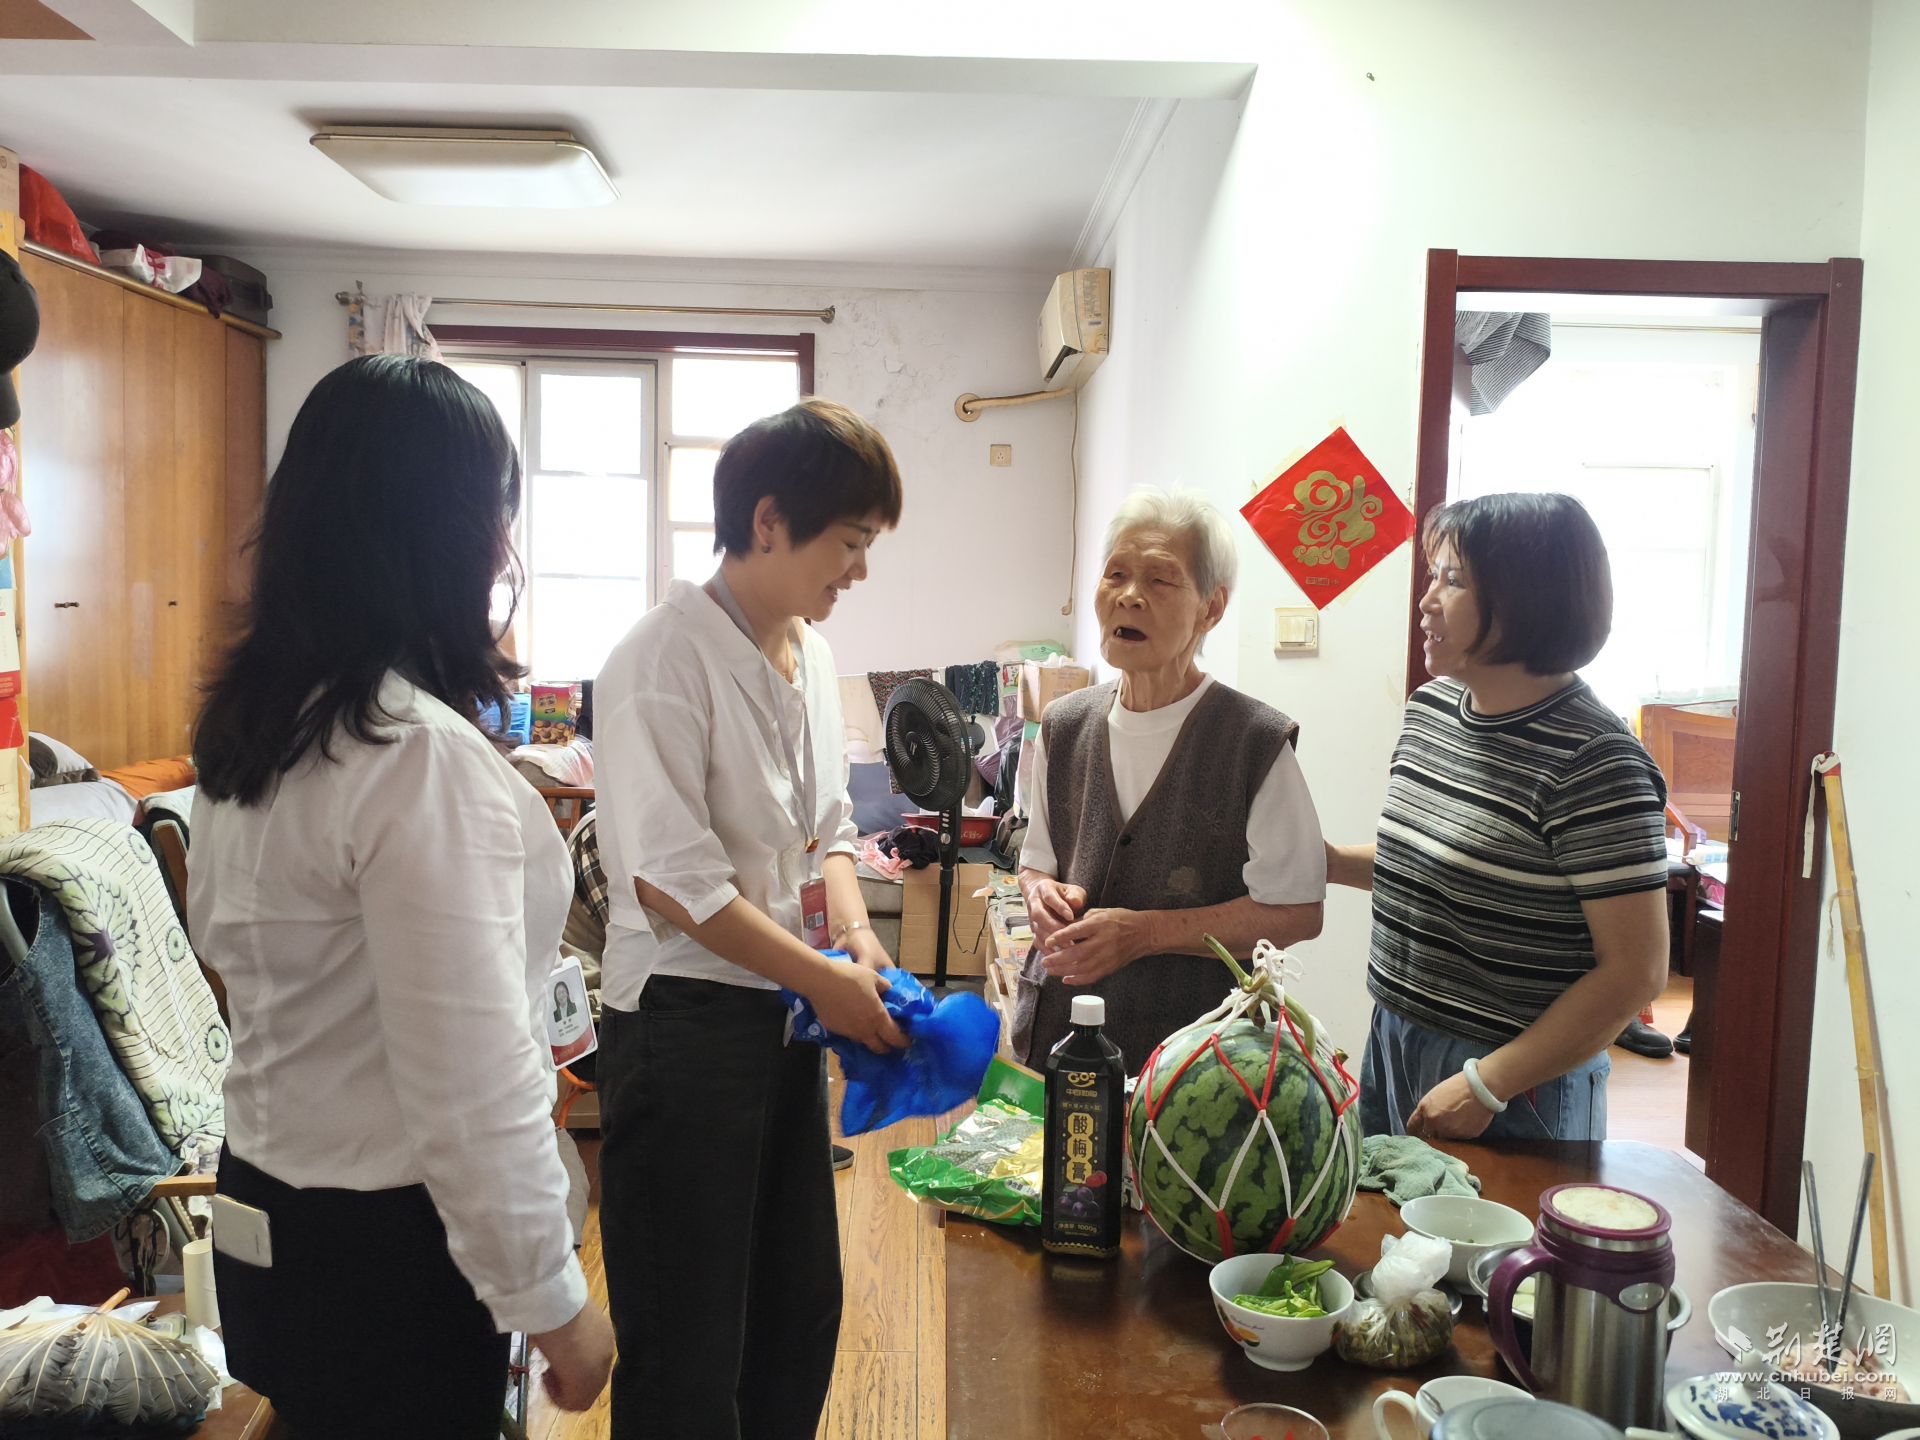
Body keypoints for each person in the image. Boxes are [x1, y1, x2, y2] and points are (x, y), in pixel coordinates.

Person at [188, 355, 614, 1434]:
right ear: (450, 535)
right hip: (386, 1256)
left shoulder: (264, 729)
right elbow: (470, 1084)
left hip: (267, 1215)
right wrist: (555, 1304)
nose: (504, 546)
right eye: (496, 514)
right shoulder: (411, 756)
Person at [593, 398, 908, 1440]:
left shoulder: (805, 653)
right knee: (688, 1334)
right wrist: (824, 980)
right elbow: (674, 886)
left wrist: (855, 940)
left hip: (783, 1010)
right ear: (768, 522)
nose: (858, 570)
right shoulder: (658, 661)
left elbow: (827, 830)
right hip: (683, 1023)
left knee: (795, 1304)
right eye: (849, 542)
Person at [1327, 492, 1670, 1141]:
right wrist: (1326, 863)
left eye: (1452, 581)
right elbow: (1442, 870)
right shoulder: (1431, 710)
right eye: (1433, 575)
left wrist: (1489, 1082)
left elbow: (1636, 971)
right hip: (1396, 1033)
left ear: (1523, 601)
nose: (1426, 600)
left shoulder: (1596, 761)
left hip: (1516, 1078)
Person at [1013, 488, 1327, 1070]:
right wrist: (1040, 895)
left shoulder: (1255, 741)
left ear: (1211, 609)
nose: (1129, 596)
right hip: (1063, 1040)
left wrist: (1147, 933)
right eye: (1116, 574)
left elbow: (1298, 911)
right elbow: (1036, 862)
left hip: (1198, 1061)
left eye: (1160, 580)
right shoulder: (1063, 724)